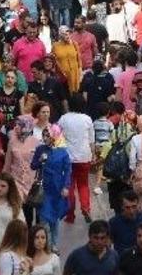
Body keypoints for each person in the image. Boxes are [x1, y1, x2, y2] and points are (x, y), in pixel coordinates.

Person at [31, 125, 72, 246]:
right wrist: (40, 160)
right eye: (43, 135)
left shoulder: (63, 152)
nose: (45, 138)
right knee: (43, 217)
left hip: (57, 188)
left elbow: (67, 170)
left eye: (47, 135)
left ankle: (54, 244)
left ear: (55, 135)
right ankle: (43, 244)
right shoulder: (40, 149)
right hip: (44, 187)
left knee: (54, 218)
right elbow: (33, 166)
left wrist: (66, 186)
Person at [58, 94, 95, 224]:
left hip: (67, 157)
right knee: (83, 184)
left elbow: (58, 137)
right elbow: (91, 140)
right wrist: (93, 154)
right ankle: (85, 207)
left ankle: (70, 215)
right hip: (84, 157)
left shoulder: (63, 119)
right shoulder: (87, 119)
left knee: (69, 186)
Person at [4, 115, 40, 226]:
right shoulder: (12, 142)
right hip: (16, 181)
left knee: (29, 215)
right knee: (18, 214)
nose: (16, 127)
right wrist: (3, 181)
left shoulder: (36, 142)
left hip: (31, 183)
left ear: (26, 126)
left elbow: (40, 164)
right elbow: (7, 164)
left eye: (19, 125)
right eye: (16, 124)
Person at [52, 26, 83, 93]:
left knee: (76, 94)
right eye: (65, 34)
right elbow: (54, 61)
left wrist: (80, 73)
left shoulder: (74, 44)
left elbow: (79, 59)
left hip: (75, 75)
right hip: (63, 76)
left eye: (68, 33)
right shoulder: (55, 46)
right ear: (60, 35)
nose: (67, 36)